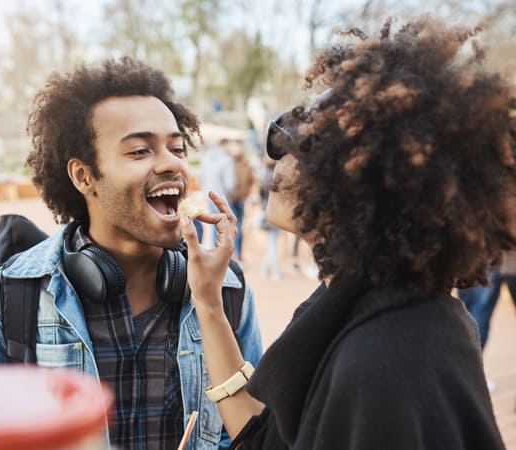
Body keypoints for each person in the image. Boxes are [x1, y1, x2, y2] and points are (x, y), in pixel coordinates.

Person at [184, 18, 511, 450]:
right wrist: (208, 302)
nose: (278, 155)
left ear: (372, 177)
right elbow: (264, 436)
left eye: (303, 141)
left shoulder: (385, 365)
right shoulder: (357, 307)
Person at [0, 57, 263, 450]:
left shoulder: (227, 290)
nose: (172, 163)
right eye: (140, 151)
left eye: (177, 147)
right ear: (84, 176)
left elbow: (256, 436)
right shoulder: (9, 297)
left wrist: (211, 306)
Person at [198, 138, 236, 246]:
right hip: (223, 198)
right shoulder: (226, 160)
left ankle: (213, 248)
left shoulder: (206, 158)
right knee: (224, 224)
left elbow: (199, 178)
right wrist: (231, 196)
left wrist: (205, 191)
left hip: (208, 196)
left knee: (212, 222)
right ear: (225, 145)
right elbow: (230, 184)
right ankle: (219, 250)